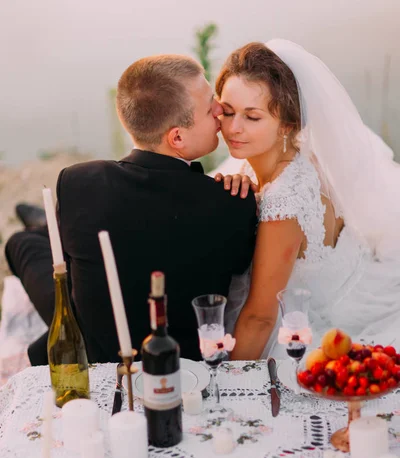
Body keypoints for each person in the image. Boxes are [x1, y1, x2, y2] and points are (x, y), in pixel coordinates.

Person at [5, 54, 257, 365]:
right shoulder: (233, 201)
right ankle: (47, 228)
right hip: (177, 359)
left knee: (23, 244)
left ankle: (45, 228)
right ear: (176, 136)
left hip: (95, 340)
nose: (220, 109)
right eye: (210, 106)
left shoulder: (78, 182)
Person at [213, 40, 400, 360]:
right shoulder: (269, 157)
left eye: (252, 117)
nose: (233, 128)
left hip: (317, 317)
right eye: (227, 112)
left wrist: (231, 387)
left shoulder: (288, 195)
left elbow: (261, 317)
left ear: (287, 124)